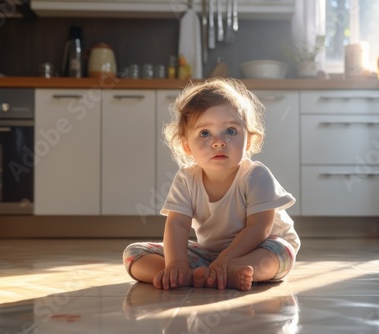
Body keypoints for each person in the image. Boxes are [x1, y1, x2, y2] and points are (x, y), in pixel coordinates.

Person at [123, 78, 300, 291]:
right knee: (135, 253)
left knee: (279, 253)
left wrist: (227, 259)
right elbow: (177, 225)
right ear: (187, 146)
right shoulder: (186, 178)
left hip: (261, 246)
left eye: (231, 131)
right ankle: (187, 276)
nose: (218, 142)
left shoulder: (255, 176)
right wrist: (176, 264)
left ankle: (235, 271)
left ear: (249, 141)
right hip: (210, 253)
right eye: (205, 133)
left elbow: (259, 228)